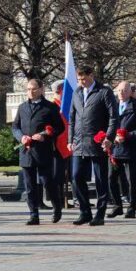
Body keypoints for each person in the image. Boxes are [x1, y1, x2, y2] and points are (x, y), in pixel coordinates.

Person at [68, 65, 118, 226]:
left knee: (100, 179)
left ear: (91, 75)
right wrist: (70, 140)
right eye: (79, 79)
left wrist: (109, 137)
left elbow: (113, 117)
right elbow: (72, 118)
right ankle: (85, 211)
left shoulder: (103, 92)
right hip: (79, 143)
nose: (81, 82)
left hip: (97, 142)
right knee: (76, 177)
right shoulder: (76, 93)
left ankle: (100, 213)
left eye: (83, 78)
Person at [12, 78, 65, 225]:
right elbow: (15, 127)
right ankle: (33, 214)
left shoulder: (50, 107)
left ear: (41, 89)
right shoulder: (22, 107)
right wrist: (21, 137)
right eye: (28, 89)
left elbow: (59, 127)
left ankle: (57, 207)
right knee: (29, 185)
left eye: (33, 89)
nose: (30, 92)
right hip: (26, 151)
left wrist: (45, 135)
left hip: (43, 151)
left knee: (47, 182)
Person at [107, 82, 136, 219]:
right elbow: (108, 125)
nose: (121, 93)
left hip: (130, 149)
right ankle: (117, 206)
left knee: (131, 180)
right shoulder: (113, 106)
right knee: (111, 178)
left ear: (130, 92)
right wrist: (110, 138)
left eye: (124, 90)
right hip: (114, 149)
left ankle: (132, 207)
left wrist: (127, 136)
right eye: (119, 90)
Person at [50, 80, 73, 210]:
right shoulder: (54, 106)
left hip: (66, 144)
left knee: (64, 175)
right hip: (56, 146)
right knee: (57, 175)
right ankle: (57, 200)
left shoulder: (64, 107)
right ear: (60, 91)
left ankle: (64, 199)